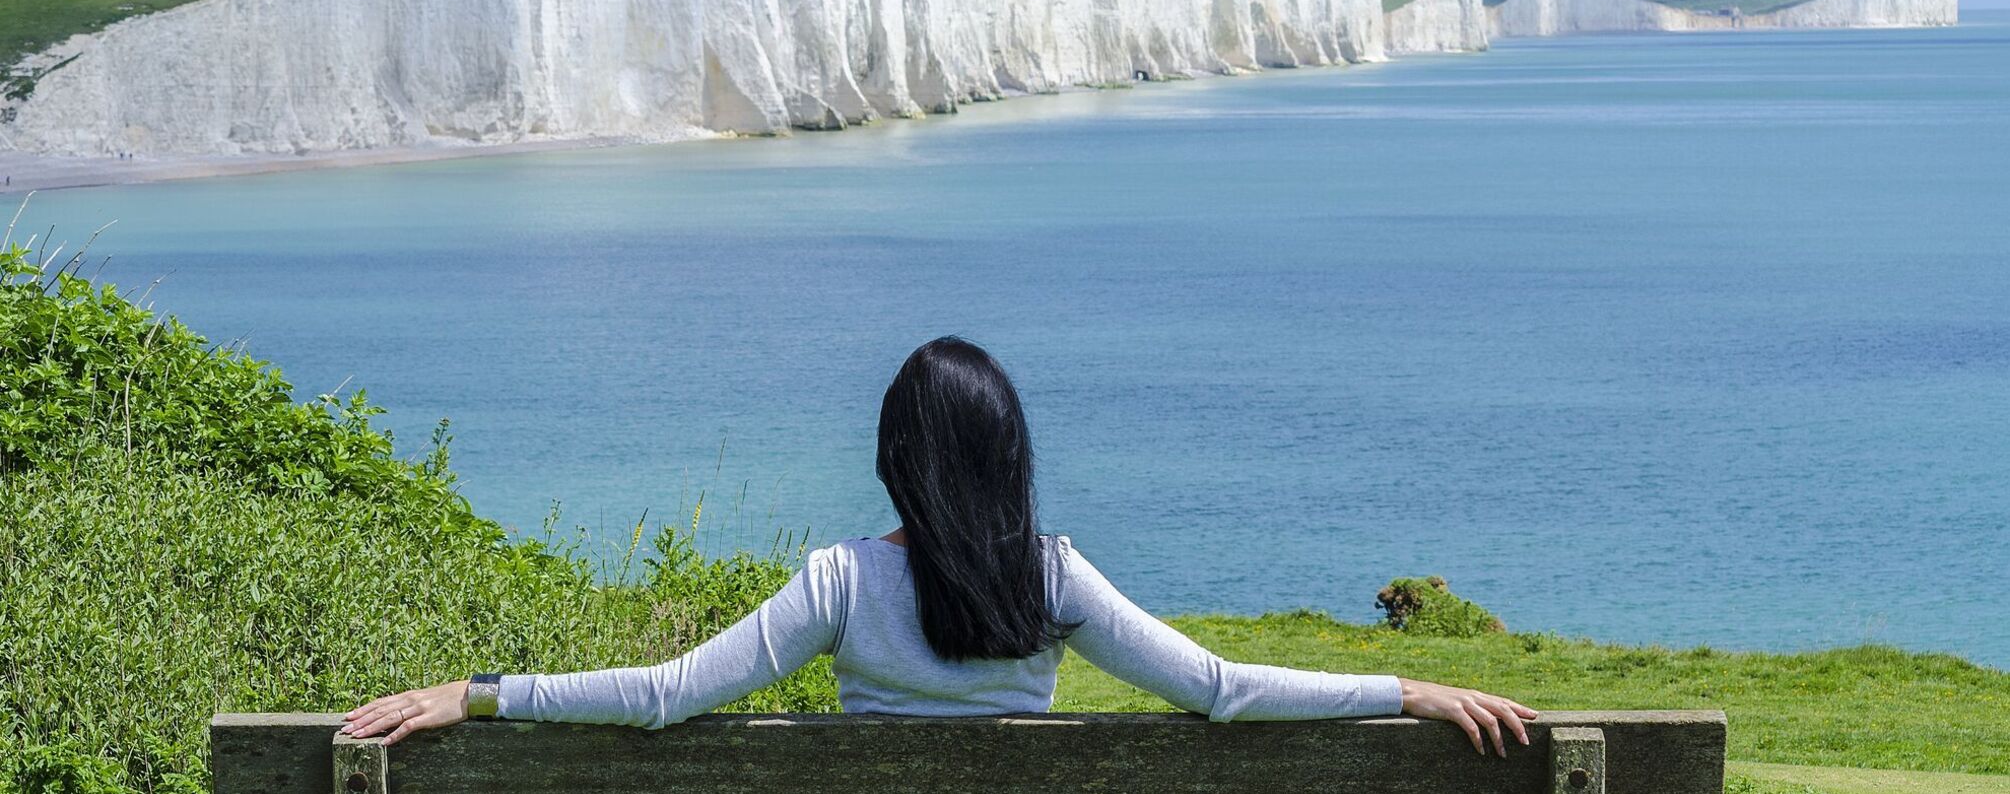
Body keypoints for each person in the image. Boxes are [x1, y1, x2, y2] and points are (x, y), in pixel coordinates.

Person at [345, 337, 1536, 755]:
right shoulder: (1053, 574)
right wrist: (1408, 687)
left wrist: (479, 694)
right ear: (1007, 454)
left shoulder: (841, 582)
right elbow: (1221, 692)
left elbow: (664, 697)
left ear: (896, 458)